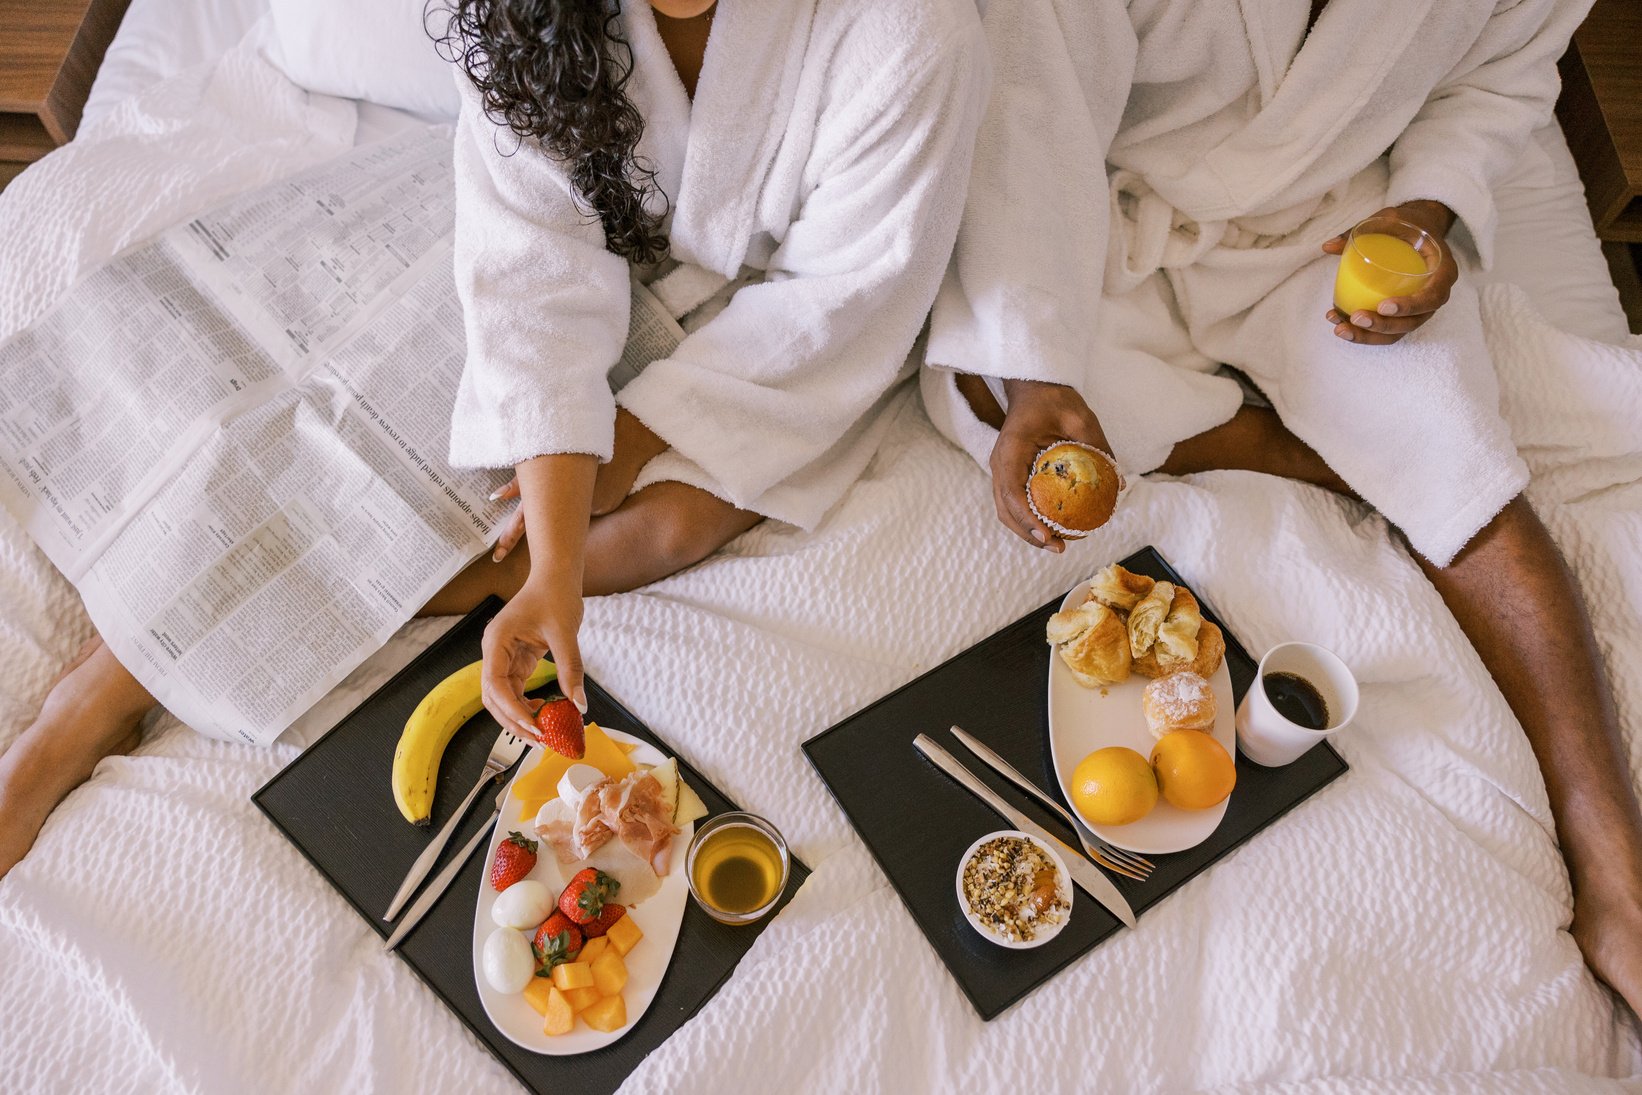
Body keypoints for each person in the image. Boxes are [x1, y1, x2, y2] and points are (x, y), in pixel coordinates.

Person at [0, 0, 987, 879]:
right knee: (381, 421)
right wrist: (555, 538)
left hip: (771, 328)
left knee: (664, 531)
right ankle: (98, 695)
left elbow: (844, 301)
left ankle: (422, 588)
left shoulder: (910, 35)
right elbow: (537, 273)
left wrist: (633, 444)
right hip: (575, 241)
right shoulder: (532, 14)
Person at [923, 0, 1642, 1013]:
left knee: (1467, 477)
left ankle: (1616, 873)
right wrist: (1037, 377)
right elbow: (1035, 115)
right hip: (1103, 210)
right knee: (993, 395)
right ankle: (1316, 454)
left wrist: (1426, 215)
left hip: (1332, 231)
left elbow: (1500, 77)